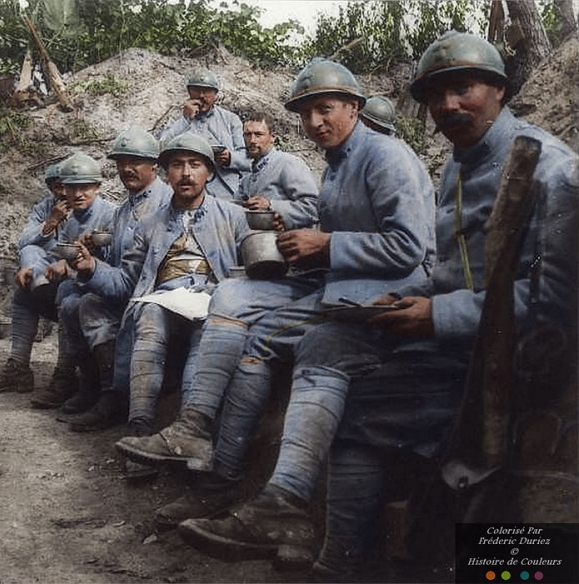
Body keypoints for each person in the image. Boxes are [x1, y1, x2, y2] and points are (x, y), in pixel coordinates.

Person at [177, 32, 577, 579]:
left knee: (510, 528)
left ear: (501, 90)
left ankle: (328, 538)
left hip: (526, 365)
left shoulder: (549, 169)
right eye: (436, 96)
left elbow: (557, 302)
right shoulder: (461, 161)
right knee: (347, 389)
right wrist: (423, 298)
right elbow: (458, 269)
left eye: (463, 88)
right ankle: (326, 545)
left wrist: (436, 313)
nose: (448, 106)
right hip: (463, 343)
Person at [116, 58, 435, 526]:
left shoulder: (385, 155)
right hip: (343, 276)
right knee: (229, 295)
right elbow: (344, 231)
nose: (314, 123)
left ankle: (222, 480)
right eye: (306, 114)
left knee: (261, 338)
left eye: (325, 110)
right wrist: (304, 243)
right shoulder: (339, 162)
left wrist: (326, 244)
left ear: (354, 106)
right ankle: (194, 426)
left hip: (389, 286)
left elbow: (409, 247)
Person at [68, 132, 251, 444]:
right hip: (161, 299)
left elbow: (250, 268)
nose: (186, 173)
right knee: (150, 313)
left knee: (207, 327)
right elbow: (127, 282)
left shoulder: (233, 216)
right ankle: (139, 425)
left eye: (195, 164)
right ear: (166, 173)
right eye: (177, 165)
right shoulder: (149, 223)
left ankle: (187, 430)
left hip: (213, 299)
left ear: (209, 172)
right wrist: (92, 269)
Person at [35, 127, 171, 424]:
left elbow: (143, 272)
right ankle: (91, 386)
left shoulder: (166, 204)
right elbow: (117, 261)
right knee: (72, 303)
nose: (126, 169)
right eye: (121, 162)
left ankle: (114, 395)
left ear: (154, 166)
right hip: (129, 290)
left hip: (157, 297)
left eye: (135, 161)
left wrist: (93, 269)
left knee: (88, 304)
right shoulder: (123, 211)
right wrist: (90, 258)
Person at [0, 152, 116, 394]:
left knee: (66, 295)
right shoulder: (70, 219)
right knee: (24, 292)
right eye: (70, 188)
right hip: (75, 285)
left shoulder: (110, 214)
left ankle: (64, 375)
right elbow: (53, 254)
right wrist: (32, 269)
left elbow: (113, 259)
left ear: (98, 188)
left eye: (84, 187)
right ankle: (18, 367)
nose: (76, 194)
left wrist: (70, 266)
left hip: (100, 294)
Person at [159, 69, 250, 199]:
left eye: (207, 91)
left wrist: (230, 158)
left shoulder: (230, 120)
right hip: (186, 191)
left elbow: (248, 159)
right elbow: (162, 147)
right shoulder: (177, 120)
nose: (201, 95)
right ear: (189, 92)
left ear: (215, 94)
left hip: (226, 192)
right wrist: (185, 120)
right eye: (196, 90)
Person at [236, 111, 319, 228]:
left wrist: (271, 205)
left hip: (289, 241)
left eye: (258, 134)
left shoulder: (288, 163)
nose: (252, 140)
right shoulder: (249, 175)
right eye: (247, 134)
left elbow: (314, 208)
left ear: (272, 137)